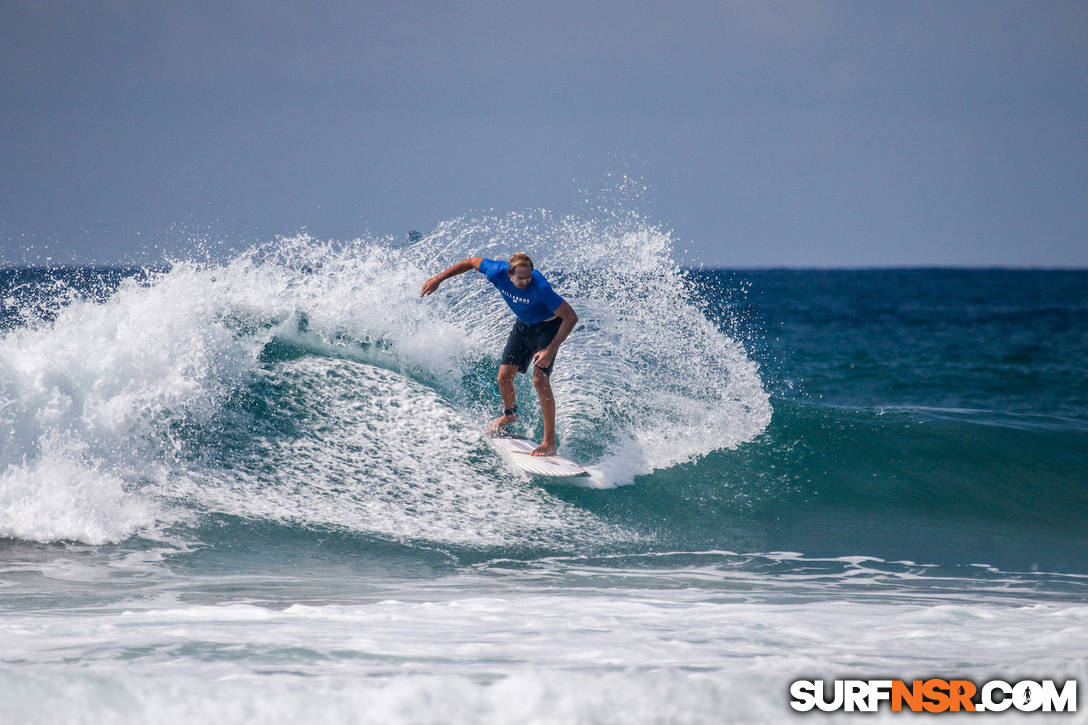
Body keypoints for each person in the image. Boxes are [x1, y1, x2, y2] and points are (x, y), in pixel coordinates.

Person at [420, 253, 578, 456]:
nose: (526, 282)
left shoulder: (541, 289)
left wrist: (550, 349)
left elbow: (571, 317)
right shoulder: (495, 271)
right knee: (504, 377)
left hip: (548, 329)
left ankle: (549, 442)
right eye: (521, 278)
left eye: (528, 277)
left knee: (540, 380)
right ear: (509, 274)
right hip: (523, 325)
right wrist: (438, 279)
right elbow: (469, 262)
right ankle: (509, 416)